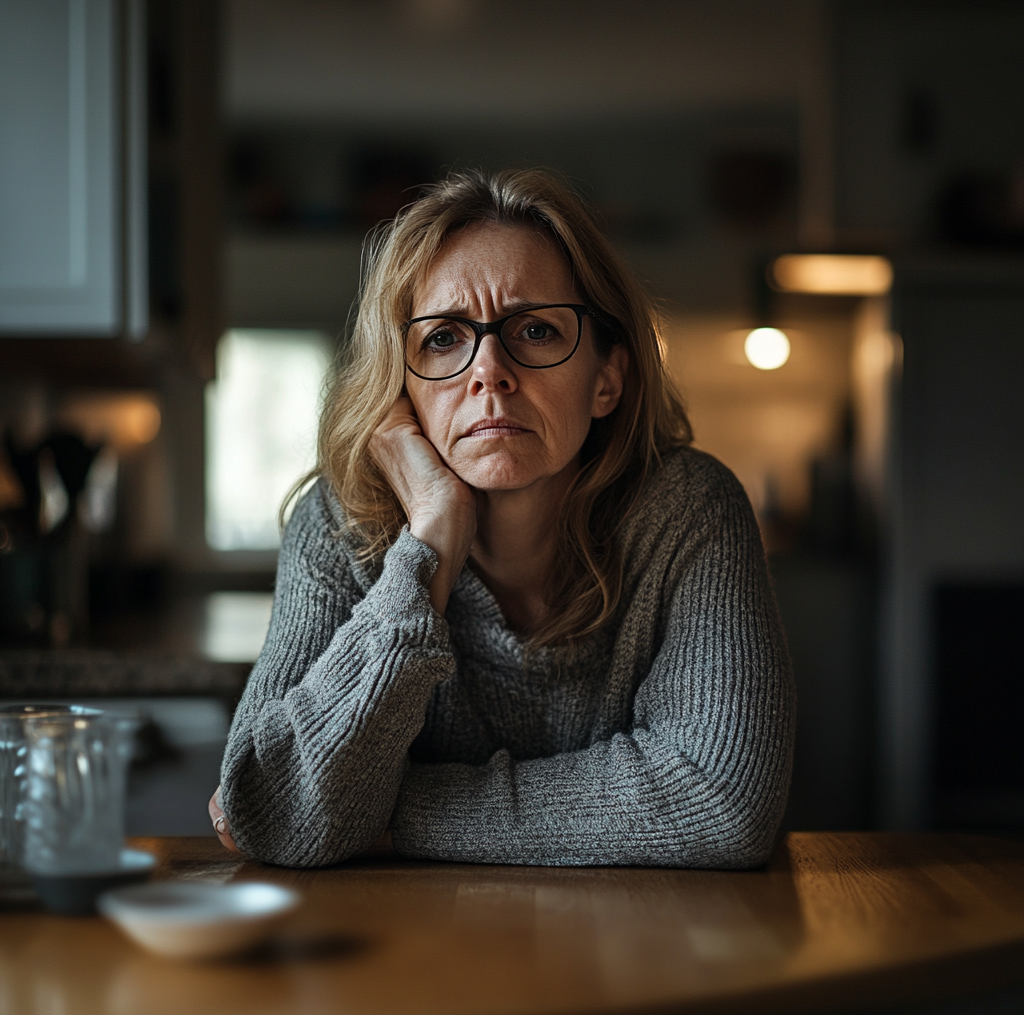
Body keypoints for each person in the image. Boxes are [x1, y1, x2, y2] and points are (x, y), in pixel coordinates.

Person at [209, 169, 794, 869]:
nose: (489, 371)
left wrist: (384, 815)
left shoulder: (689, 512)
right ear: (401, 385)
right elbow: (267, 811)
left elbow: (720, 799)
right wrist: (427, 543)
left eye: (536, 330)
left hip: (639, 955)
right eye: (444, 339)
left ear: (607, 379)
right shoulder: (340, 527)